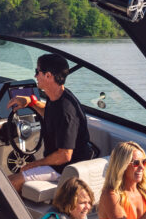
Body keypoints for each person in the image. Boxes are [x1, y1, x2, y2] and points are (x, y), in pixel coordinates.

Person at [7, 53, 107, 184]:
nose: (35, 76)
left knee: (10, 182)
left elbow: (64, 155)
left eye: (37, 71)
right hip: (59, 163)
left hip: (65, 169)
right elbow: (49, 113)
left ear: (48, 76)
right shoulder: (58, 95)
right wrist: (31, 102)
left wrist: (35, 164)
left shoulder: (66, 111)